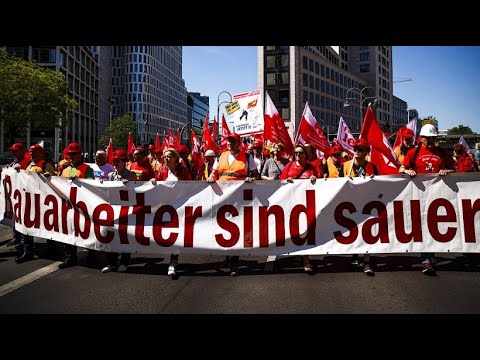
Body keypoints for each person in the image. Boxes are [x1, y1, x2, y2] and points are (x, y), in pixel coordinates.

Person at [399, 124, 455, 275]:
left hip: (439, 196)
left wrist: (446, 171)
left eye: (432, 138)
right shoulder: (413, 152)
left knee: (436, 226)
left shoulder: (442, 153)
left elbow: (453, 169)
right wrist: (408, 170)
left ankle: (431, 255)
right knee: (423, 225)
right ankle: (425, 259)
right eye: (427, 138)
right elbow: (401, 169)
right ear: (421, 138)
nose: (430, 141)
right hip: (419, 195)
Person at [207, 133, 260, 276]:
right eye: (228, 140)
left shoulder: (247, 157)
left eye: (233, 141)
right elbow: (214, 173)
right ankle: (228, 253)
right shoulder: (220, 156)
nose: (229, 143)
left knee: (236, 227)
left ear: (239, 143)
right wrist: (211, 178)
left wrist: (251, 178)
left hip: (239, 197)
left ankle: (234, 260)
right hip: (222, 197)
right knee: (223, 225)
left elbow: (256, 175)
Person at [339, 138, 378, 275]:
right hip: (349, 205)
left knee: (367, 232)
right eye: (355, 149)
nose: (356, 151)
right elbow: (336, 185)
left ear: (366, 152)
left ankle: (366, 261)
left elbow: (380, 187)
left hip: (367, 205)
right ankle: (355, 256)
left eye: (360, 149)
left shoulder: (372, 167)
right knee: (353, 231)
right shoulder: (345, 166)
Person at [152, 148, 192, 277]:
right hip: (166, 208)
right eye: (165, 156)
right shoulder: (162, 171)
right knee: (169, 234)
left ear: (175, 158)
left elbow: (191, 186)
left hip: (180, 208)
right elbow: (156, 183)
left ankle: (173, 262)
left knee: (178, 234)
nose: (166, 158)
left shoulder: (183, 171)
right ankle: (173, 260)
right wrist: (153, 181)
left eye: (169, 156)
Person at [279, 144, 318, 272]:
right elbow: (281, 180)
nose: (298, 155)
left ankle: (306, 259)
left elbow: (320, 182)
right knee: (293, 231)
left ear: (306, 154)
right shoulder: (289, 166)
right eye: (296, 153)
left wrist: (314, 178)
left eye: (301, 152)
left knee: (305, 231)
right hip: (292, 203)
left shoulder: (311, 167)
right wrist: (287, 180)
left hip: (306, 204)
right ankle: (295, 254)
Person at [15, 144, 56, 263]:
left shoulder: (45, 165)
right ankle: (28, 251)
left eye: (34, 152)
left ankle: (52, 249)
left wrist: (50, 176)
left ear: (41, 153)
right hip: (29, 201)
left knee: (48, 226)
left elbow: (55, 180)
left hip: (43, 201)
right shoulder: (29, 165)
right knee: (27, 226)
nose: (31, 154)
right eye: (30, 152)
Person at [58, 142, 95, 269]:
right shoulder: (65, 170)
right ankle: (70, 257)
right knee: (68, 231)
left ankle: (92, 255)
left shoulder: (87, 169)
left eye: (74, 154)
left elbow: (92, 186)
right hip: (68, 207)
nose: (71, 156)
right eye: (69, 154)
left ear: (80, 154)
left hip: (83, 206)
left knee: (87, 231)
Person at [101, 149, 136, 273]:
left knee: (125, 235)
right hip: (113, 210)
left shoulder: (131, 175)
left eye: (117, 161)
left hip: (126, 211)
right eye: (114, 161)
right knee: (111, 235)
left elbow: (136, 191)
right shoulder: (111, 176)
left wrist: (130, 184)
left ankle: (124, 262)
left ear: (124, 162)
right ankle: (111, 262)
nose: (115, 164)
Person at [4, 143, 30, 249]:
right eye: (13, 150)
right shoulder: (14, 162)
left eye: (16, 150)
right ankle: (17, 237)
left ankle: (24, 241)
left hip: (22, 194)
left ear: (22, 151)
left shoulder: (26, 162)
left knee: (22, 218)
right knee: (15, 216)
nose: (13, 152)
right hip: (15, 194)